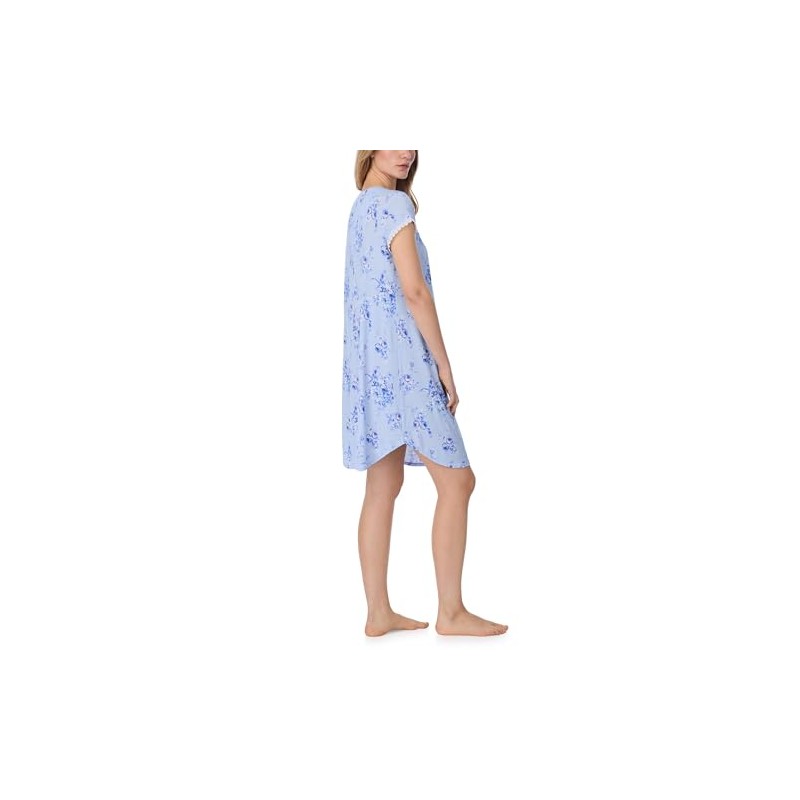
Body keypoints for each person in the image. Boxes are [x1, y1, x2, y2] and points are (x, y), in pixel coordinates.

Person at [342, 150, 508, 637]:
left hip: (370, 371)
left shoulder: (360, 208)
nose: (405, 152)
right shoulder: (394, 207)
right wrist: (444, 365)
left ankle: (378, 612)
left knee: (382, 486)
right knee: (458, 482)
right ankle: (451, 612)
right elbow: (414, 292)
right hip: (406, 367)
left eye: (410, 142)